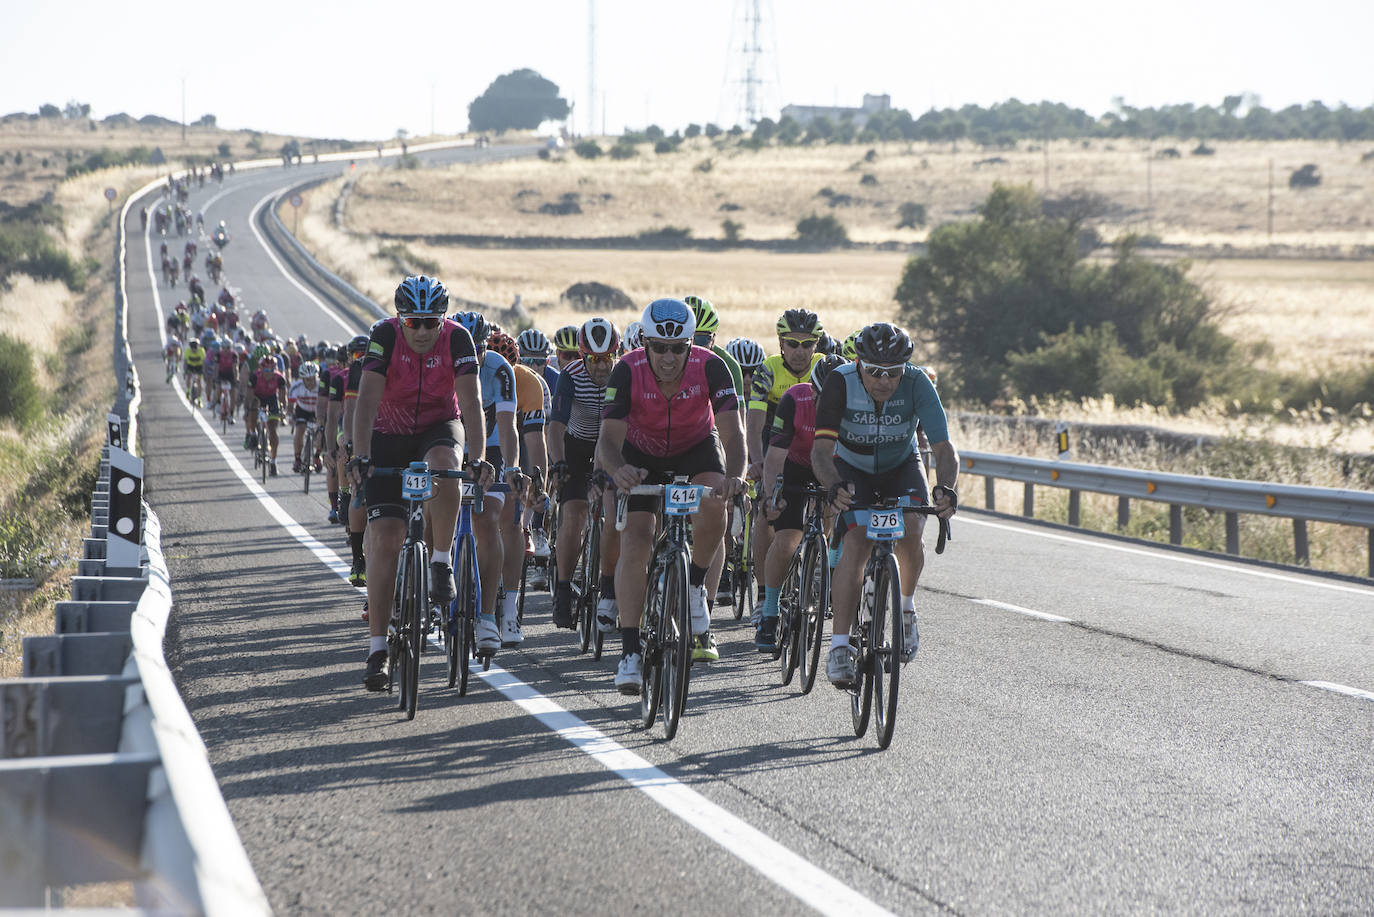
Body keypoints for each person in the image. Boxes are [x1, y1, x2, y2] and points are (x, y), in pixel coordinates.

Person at [349, 277, 492, 691]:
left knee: (448, 465)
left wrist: (478, 457)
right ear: (400, 319)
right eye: (415, 323)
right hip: (386, 434)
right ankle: (377, 649)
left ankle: (441, 562)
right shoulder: (384, 336)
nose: (425, 332)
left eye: (432, 322)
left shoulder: (458, 339)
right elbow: (367, 401)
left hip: (438, 426)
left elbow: (469, 403)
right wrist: (361, 455)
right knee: (387, 540)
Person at [598, 299, 746, 694]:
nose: (668, 357)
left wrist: (736, 477)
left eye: (678, 348)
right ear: (645, 342)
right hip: (641, 455)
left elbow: (733, 434)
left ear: (690, 344)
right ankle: (630, 652)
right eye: (659, 348)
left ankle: (696, 586)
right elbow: (607, 443)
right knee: (636, 541)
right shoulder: (627, 369)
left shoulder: (711, 366)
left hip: (696, 447)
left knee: (715, 502)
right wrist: (618, 470)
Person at [810, 322, 958, 688]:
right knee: (856, 543)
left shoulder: (917, 382)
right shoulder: (840, 382)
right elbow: (820, 451)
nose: (884, 381)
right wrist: (833, 486)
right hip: (851, 467)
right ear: (858, 363)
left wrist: (947, 488)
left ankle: (906, 610)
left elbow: (943, 449)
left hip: (900, 465)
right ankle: (840, 647)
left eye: (893, 373)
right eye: (874, 371)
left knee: (911, 531)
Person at [757, 353, 846, 650]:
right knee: (786, 539)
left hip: (832, 468)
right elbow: (773, 461)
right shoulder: (795, 399)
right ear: (813, 391)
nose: (830, 408)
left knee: (834, 508)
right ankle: (769, 612)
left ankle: (825, 563)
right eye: (825, 400)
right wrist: (771, 497)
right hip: (793, 465)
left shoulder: (853, 406)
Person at [453, 311, 524, 652]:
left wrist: (511, 467)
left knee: (489, 519)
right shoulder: (441, 361)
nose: (472, 355)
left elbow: (509, 426)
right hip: (450, 445)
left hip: (491, 447)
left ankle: (486, 618)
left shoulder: (499, 368)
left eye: (478, 348)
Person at [746, 309, 825, 616]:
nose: (800, 351)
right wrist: (757, 462)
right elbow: (754, 424)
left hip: (813, 442)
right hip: (775, 440)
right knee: (768, 512)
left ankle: (821, 564)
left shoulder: (825, 367)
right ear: (781, 343)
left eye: (808, 344)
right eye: (793, 343)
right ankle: (765, 593)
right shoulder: (769, 369)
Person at [548, 317, 621, 632]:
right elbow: (556, 426)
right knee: (575, 516)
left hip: (612, 446)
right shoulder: (570, 375)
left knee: (614, 514)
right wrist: (558, 461)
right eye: (593, 359)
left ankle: (607, 586)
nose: (601, 366)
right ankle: (563, 589)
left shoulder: (624, 376)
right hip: (576, 448)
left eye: (607, 358)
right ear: (582, 356)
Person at [487, 328, 549, 646]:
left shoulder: (527, 383)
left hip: (512, 439)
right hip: (479, 438)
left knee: (512, 522)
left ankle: (509, 611)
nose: (505, 381)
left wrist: (536, 490)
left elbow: (535, 445)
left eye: (509, 372)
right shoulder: (473, 376)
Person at [250, 355, 288, 474]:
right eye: (266, 370)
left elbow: (282, 399)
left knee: (273, 431)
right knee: (252, 411)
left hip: (272, 399)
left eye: (272, 370)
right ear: (261, 369)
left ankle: (273, 461)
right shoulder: (255, 377)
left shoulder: (279, 378)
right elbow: (249, 396)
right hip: (257, 398)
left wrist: (282, 410)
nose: (269, 373)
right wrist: (248, 409)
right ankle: (253, 434)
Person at [288, 361, 323, 473]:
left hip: (318, 410)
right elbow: (290, 405)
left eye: (313, 378)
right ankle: (297, 458)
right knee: (300, 430)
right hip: (302, 410)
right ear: (302, 379)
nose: (310, 382)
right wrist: (290, 416)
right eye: (307, 379)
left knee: (321, 432)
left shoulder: (322, 386)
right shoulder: (296, 387)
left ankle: (317, 456)